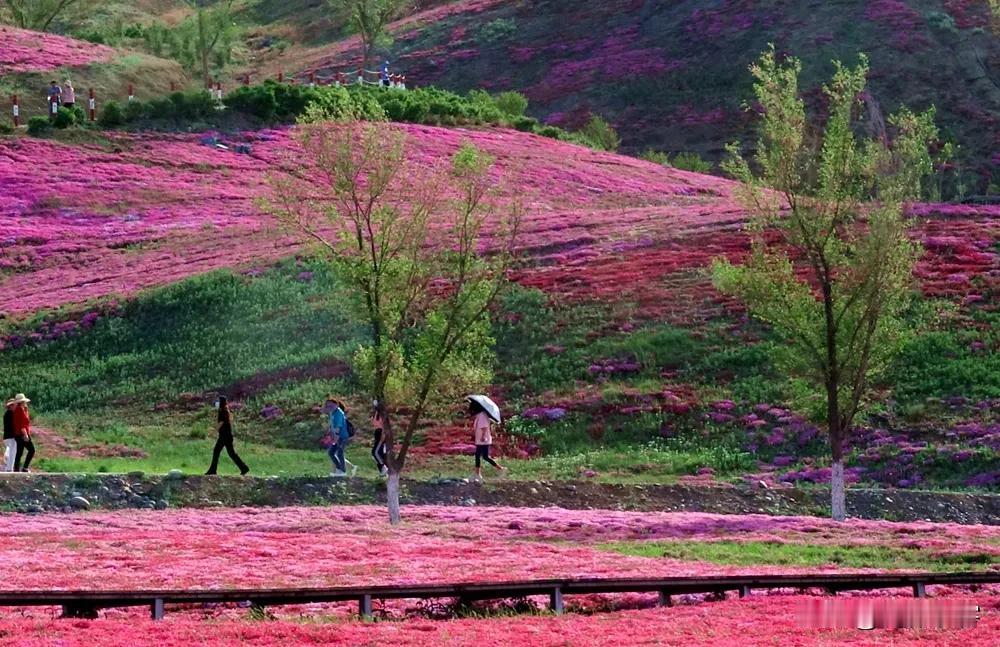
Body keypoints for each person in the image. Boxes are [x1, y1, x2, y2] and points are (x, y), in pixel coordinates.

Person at [205, 396, 250, 476]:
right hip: (226, 436)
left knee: (217, 451)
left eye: (218, 401)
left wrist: (212, 432)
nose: (216, 403)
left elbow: (221, 423)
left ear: (221, 402)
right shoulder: (224, 410)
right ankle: (244, 468)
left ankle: (213, 470)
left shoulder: (223, 411)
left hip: (224, 436)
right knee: (231, 453)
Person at [470, 399, 504, 482]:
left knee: (479, 455)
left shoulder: (482, 415)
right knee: (484, 456)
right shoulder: (480, 415)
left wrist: (482, 436)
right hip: (481, 439)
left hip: (483, 439)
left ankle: (478, 474)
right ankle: (499, 469)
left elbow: (484, 427)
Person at [327, 397, 356, 477]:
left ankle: (342, 471)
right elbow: (332, 425)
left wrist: (335, 436)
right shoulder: (333, 413)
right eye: (328, 406)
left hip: (342, 436)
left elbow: (338, 427)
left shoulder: (339, 413)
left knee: (340, 453)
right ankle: (339, 469)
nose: (329, 407)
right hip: (337, 437)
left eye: (331, 405)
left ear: (336, 405)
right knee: (331, 452)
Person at [11, 394, 33, 473]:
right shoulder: (20, 410)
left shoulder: (20, 409)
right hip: (22, 433)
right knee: (31, 450)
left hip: (18, 434)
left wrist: (26, 410)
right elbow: (22, 424)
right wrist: (25, 435)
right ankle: (24, 468)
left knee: (20, 452)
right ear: (22, 402)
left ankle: (16, 469)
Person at [370, 401, 388, 477]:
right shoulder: (376, 413)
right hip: (377, 432)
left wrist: (383, 435)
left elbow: (385, 425)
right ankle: (382, 471)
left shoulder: (382, 414)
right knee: (380, 452)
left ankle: (383, 466)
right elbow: (374, 424)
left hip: (381, 432)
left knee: (375, 452)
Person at [2, 398, 16, 472]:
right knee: (12, 452)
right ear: (10, 406)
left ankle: (8, 466)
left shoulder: (6, 414)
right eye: (13, 405)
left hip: (7, 436)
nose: (15, 406)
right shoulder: (11, 414)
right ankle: (9, 468)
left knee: (10, 450)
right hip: (11, 436)